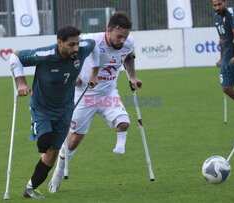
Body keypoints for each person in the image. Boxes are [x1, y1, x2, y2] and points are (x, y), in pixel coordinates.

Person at [48, 11, 142, 193]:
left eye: (125, 36)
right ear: (108, 31)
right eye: (119, 36)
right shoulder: (90, 40)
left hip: (108, 93)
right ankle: (58, 173)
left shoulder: (128, 43)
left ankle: (119, 147)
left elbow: (128, 56)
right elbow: (66, 53)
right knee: (74, 140)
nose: (122, 41)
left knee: (124, 122)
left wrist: (132, 76)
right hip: (84, 94)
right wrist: (72, 75)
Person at [9, 25, 100, 199]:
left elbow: (94, 44)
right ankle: (41, 136)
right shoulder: (45, 54)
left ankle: (30, 188)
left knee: (53, 152)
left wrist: (95, 73)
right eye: (71, 45)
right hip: (41, 107)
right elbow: (15, 56)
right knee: (44, 143)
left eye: (77, 44)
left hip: (65, 109)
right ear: (59, 42)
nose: (76, 48)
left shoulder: (82, 48)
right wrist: (21, 82)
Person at [212, 0, 234, 107]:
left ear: (225, 3)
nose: (217, 7)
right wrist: (221, 58)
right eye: (214, 5)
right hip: (227, 57)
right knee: (226, 88)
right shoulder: (216, 17)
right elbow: (221, 39)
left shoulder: (232, 12)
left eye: (219, 4)